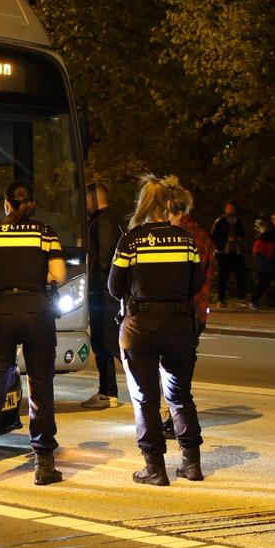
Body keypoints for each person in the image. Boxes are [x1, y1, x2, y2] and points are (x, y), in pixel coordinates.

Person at [0, 180, 68, 488]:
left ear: (6, 204)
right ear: (31, 204)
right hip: (37, 312)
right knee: (40, 387)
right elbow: (59, 275)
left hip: (1, 314)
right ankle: (44, 466)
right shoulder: (45, 232)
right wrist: (36, 276)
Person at [107, 175, 205, 485]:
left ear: (143, 205)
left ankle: (155, 467)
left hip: (141, 326)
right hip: (179, 325)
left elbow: (114, 287)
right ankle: (191, 464)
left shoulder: (131, 240)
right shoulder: (186, 239)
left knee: (146, 399)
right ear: (168, 204)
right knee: (179, 395)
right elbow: (196, 284)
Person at [161, 183, 215, 437]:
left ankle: (181, 425)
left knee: (179, 371)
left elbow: (189, 277)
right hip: (189, 310)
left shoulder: (190, 236)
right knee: (176, 369)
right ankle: (176, 419)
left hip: (189, 310)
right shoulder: (192, 233)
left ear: (172, 208)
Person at [82, 180, 122, 409]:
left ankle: (109, 391)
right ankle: (107, 392)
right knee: (104, 341)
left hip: (104, 293)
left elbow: (103, 259)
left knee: (108, 341)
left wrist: (93, 285)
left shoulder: (103, 221)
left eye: (86, 200)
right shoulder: (114, 219)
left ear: (94, 198)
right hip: (109, 292)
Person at [210, 202, 248, 307]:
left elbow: (242, 234)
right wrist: (226, 239)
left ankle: (241, 298)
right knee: (223, 276)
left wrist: (239, 240)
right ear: (225, 209)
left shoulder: (238, 222)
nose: (230, 210)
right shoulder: (220, 221)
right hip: (224, 252)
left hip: (236, 252)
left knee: (240, 275)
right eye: (229, 208)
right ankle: (221, 299)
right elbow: (213, 235)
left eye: (232, 208)